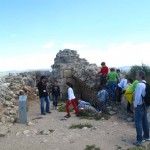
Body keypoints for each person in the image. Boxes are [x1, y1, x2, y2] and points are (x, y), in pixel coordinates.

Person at [133, 70, 150, 146]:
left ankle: (139, 140)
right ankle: (146, 136)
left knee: (138, 122)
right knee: (145, 121)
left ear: (140, 76)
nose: (136, 76)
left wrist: (135, 105)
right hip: (145, 105)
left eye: (136, 75)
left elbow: (137, 96)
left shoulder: (139, 85)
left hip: (140, 105)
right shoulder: (146, 84)